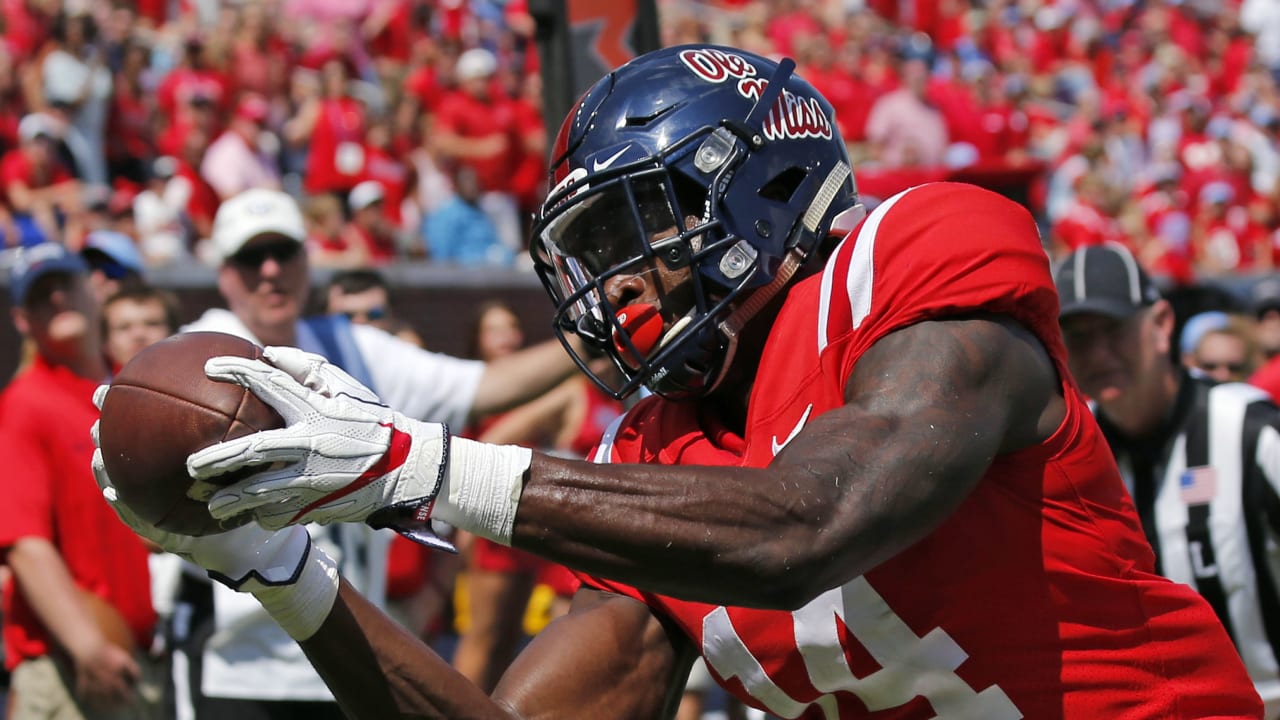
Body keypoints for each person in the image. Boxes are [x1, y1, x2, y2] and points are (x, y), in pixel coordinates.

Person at [96, 45, 1262, 718]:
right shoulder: (652, 456)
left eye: (630, 231)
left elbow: (813, 521)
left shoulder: (915, 256)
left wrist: (412, 465)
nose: (610, 284)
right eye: (586, 256)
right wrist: (283, 574)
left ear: (757, 189)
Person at [154, 187, 583, 720]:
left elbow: (486, 385)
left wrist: (587, 340)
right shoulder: (193, 360)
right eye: (249, 257)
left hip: (347, 651)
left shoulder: (349, 347)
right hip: (241, 658)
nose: (269, 271)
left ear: (306, 260)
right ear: (223, 272)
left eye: (282, 252)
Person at [1055, 241, 1280, 715]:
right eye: (1077, 337)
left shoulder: (1249, 430)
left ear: (1160, 325)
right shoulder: (1074, 453)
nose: (1097, 353)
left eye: (1112, 330)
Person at [0, 244, 158, 720]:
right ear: (22, 320)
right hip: (73, 667)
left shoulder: (127, 393)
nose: (57, 301)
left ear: (93, 291)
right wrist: (89, 648)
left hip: (138, 657)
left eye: (64, 285)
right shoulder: (27, 403)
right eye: (40, 295)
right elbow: (24, 543)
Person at [101, 285, 181, 370]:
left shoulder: (194, 380)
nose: (139, 334)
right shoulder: (94, 382)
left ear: (174, 332)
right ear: (105, 341)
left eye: (152, 324)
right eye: (124, 327)